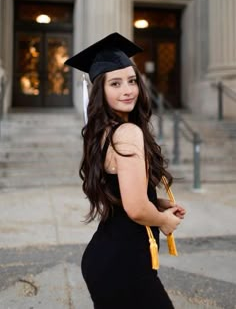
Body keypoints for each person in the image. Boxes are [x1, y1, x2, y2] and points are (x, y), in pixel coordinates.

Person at [65, 32, 186, 309]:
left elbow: (121, 194)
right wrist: (163, 221)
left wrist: (158, 203)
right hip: (125, 265)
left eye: (132, 81)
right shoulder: (128, 132)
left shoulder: (102, 132)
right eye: (115, 83)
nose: (128, 90)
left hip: (107, 258)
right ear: (100, 90)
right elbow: (135, 209)